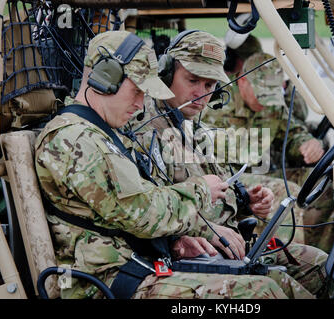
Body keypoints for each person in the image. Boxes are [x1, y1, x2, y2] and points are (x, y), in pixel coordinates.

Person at [35, 30, 298, 299]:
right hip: (102, 282)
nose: (140, 105)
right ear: (105, 79)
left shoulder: (104, 134)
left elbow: (136, 208)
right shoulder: (75, 140)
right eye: (137, 90)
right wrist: (200, 192)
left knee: (274, 278)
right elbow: (142, 213)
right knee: (260, 292)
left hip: (138, 264)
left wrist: (179, 240)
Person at [125, 30, 334, 298]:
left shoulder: (194, 127)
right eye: (193, 80)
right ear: (166, 73)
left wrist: (246, 200)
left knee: (321, 266)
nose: (201, 94)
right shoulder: (146, 131)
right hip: (198, 254)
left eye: (210, 86)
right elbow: (148, 208)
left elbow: (218, 186)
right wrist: (205, 231)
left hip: (231, 245)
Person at [203, 44, 334, 253]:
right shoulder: (214, 104)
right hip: (223, 178)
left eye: (270, 96)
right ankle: (289, 259)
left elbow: (292, 131)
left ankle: (321, 257)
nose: (265, 103)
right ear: (243, 81)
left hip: (259, 172)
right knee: (285, 191)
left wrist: (307, 144)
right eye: (261, 95)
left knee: (322, 181)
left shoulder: (272, 105)